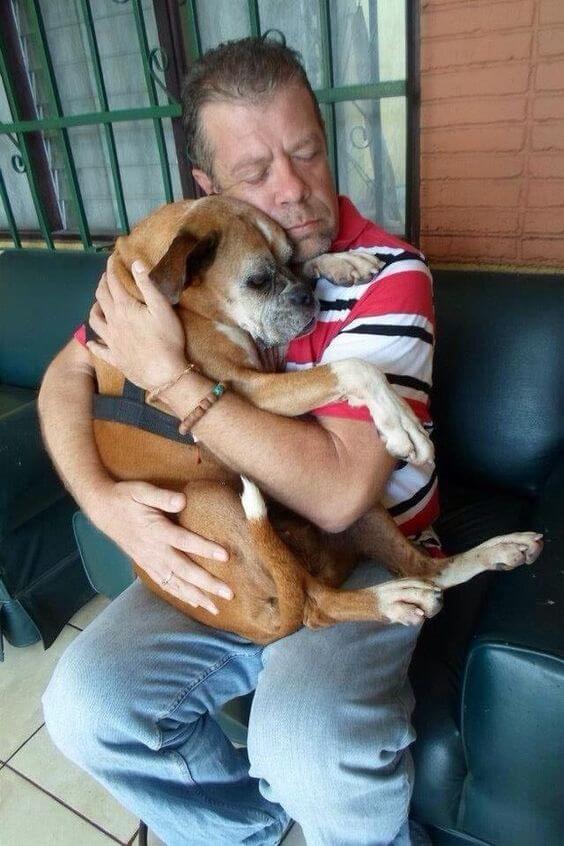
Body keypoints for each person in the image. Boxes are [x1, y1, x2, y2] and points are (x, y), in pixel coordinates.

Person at [40, 37, 438, 846]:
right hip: (229, 534)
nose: (291, 189)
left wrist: (170, 377)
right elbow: (64, 377)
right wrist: (105, 505)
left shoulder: (389, 275)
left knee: (302, 743)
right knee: (82, 707)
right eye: (255, 172)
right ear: (209, 193)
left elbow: (339, 496)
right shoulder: (184, 264)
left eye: (306, 152)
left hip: (356, 541)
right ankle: (247, 831)